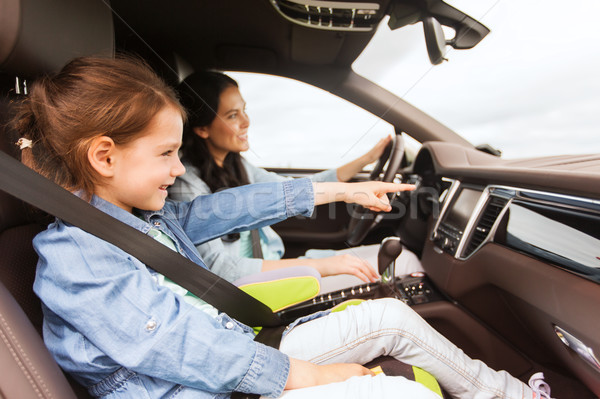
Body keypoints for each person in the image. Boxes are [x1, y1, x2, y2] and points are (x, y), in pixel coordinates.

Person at [17, 56, 551, 399]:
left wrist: (341, 189)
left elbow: (236, 206)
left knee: (389, 316)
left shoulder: (145, 220)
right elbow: (176, 348)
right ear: (105, 158)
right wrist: (308, 375)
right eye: (166, 154)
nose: (179, 170)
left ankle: (515, 396)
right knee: (395, 392)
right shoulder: (79, 254)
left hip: (228, 356)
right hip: (195, 388)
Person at [169, 71, 424, 291]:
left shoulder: (236, 165)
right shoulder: (187, 184)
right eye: (233, 115)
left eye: (244, 110)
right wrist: (318, 266)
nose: (247, 121)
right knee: (406, 263)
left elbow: (292, 190)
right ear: (202, 128)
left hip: (274, 269)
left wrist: (366, 160)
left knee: (401, 259)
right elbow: (218, 268)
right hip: (255, 289)